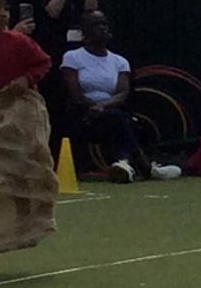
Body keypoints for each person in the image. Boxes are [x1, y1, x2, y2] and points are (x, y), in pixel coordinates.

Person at [0, 0, 59, 257]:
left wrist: (26, 79)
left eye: (6, 9)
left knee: (27, 157)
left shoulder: (17, 42)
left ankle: (30, 219)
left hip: (19, 105)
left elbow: (43, 62)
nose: (3, 14)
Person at [34, 0, 105, 159]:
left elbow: (91, 10)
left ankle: (80, 155)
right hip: (53, 46)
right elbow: (52, 11)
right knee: (56, 99)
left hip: (78, 48)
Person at [61, 11, 149, 180]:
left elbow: (122, 93)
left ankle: (122, 165)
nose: (102, 28)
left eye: (104, 24)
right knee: (116, 119)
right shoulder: (72, 57)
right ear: (85, 32)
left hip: (111, 111)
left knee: (116, 118)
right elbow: (74, 93)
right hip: (83, 114)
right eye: (96, 25)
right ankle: (139, 161)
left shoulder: (120, 61)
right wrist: (92, 106)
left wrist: (103, 106)